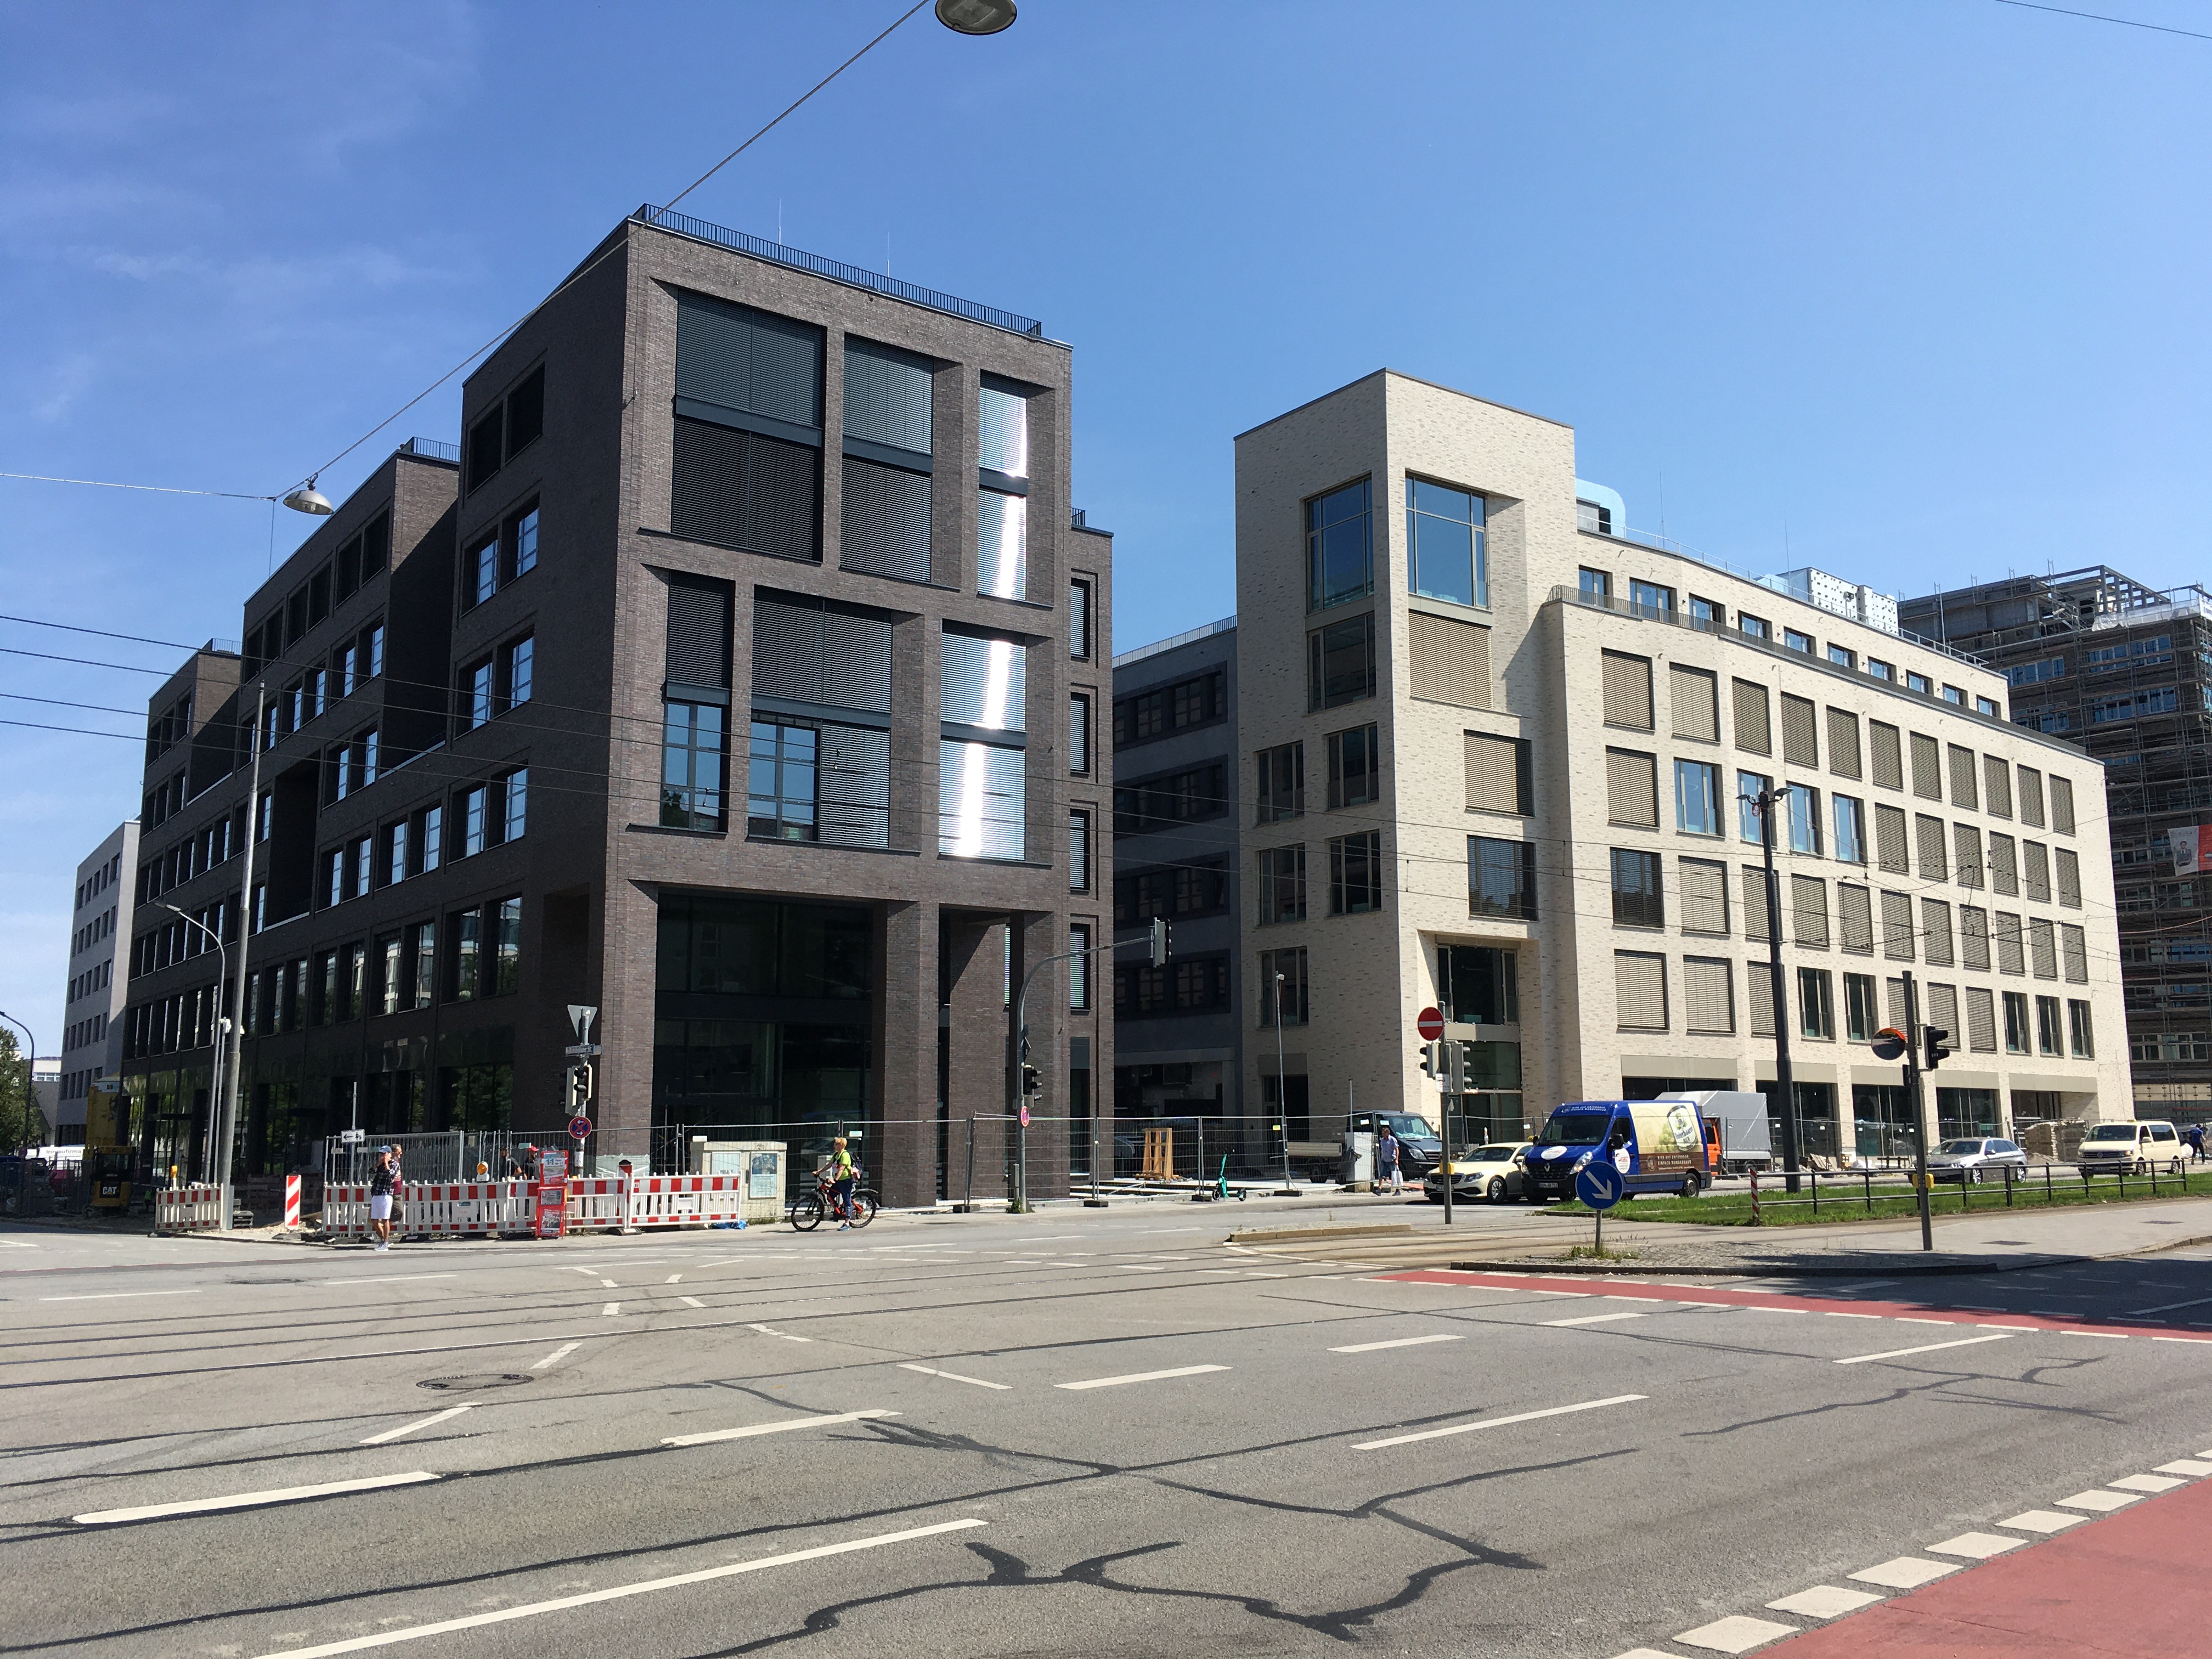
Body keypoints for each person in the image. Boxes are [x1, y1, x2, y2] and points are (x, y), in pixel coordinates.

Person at [368, 1149, 397, 1251]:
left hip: (386, 1193)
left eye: (385, 1154)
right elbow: (371, 1171)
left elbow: (390, 1176)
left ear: (390, 1154)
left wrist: (386, 1163)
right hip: (376, 1193)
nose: (383, 1156)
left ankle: (385, 1242)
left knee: (385, 1220)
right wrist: (378, 1164)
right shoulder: (379, 1164)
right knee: (375, 1220)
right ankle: (384, 1240)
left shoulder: (394, 1164)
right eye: (381, 1154)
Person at [828, 1136, 857, 1229]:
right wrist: (818, 1172)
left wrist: (835, 1180)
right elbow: (828, 1165)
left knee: (847, 1201)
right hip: (838, 1181)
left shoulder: (845, 1155)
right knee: (830, 1196)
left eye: (836, 1144)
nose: (834, 1145)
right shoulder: (836, 1155)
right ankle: (838, 1212)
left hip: (845, 1181)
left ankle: (847, 1223)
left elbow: (841, 1169)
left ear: (841, 1145)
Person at [1376, 1123, 1402, 1195]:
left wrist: (1396, 1159)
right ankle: (1379, 1189)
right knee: (1382, 1174)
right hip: (1384, 1159)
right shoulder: (1382, 1140)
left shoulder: (1392, 1140)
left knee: (1395, 1175)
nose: (1383, 1134)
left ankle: (1398, 1190)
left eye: (1384, 1133)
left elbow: (1397, 1149)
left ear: (1387, 1133)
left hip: (1391, 1160)